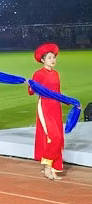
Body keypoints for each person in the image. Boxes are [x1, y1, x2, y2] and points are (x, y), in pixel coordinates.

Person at [29, 43, 65, 180]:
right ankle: (47, 166)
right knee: (54, 136)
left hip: (56, 107)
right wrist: (31, 85)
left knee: (59, 138)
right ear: (43, 60)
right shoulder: (39, 74)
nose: (52, 60)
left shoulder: (56, 74)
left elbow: (58, 93)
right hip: (45, 106)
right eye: (49, 57)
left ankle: (54, 168)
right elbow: (31, 91)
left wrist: (71, 102)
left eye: (53, 57)